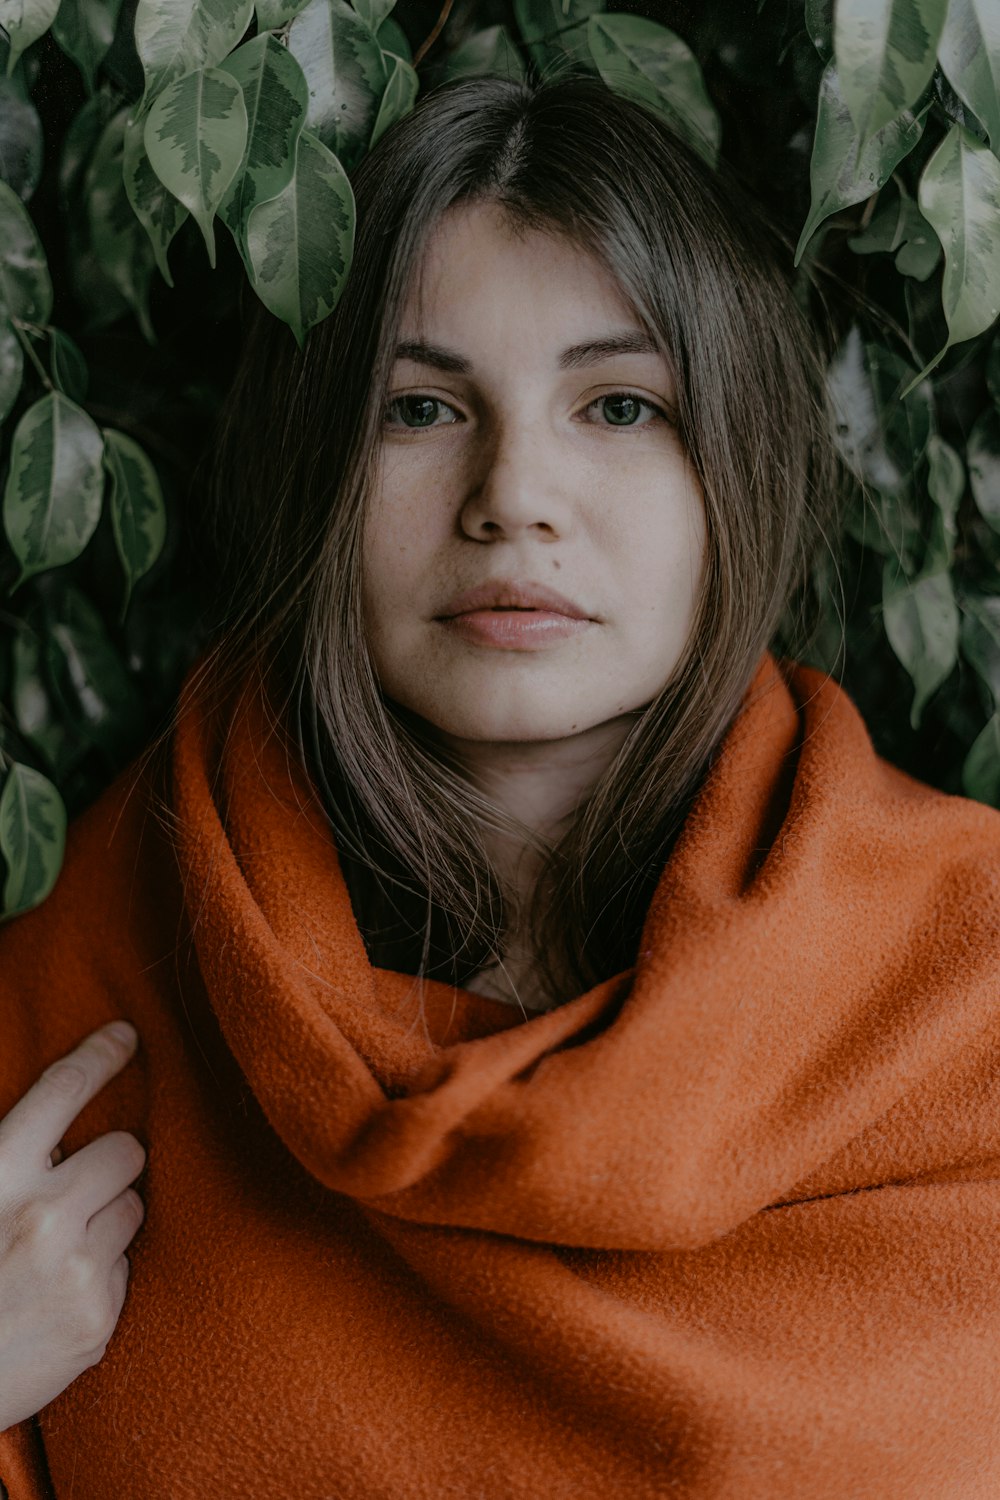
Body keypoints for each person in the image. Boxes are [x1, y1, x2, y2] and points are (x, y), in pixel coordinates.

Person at [0, 72, 998, 1499]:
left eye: (618, 404)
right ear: (317, 473)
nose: (514, 491)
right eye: (418, 406)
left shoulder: (971, 983)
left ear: (744, 466)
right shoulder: (86, 1001)